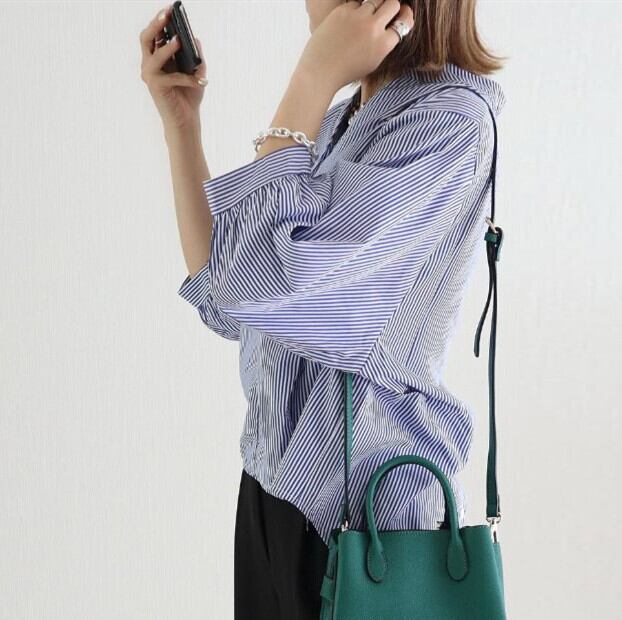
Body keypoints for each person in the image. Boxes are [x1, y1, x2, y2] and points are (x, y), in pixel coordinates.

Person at [140, 1, 507, 617]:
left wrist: (312, 76)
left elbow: (264, 279)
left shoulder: (448, 124)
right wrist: (183, 125)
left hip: (365, 523)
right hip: (274, 496)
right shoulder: (346, 119)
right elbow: (230, 297)